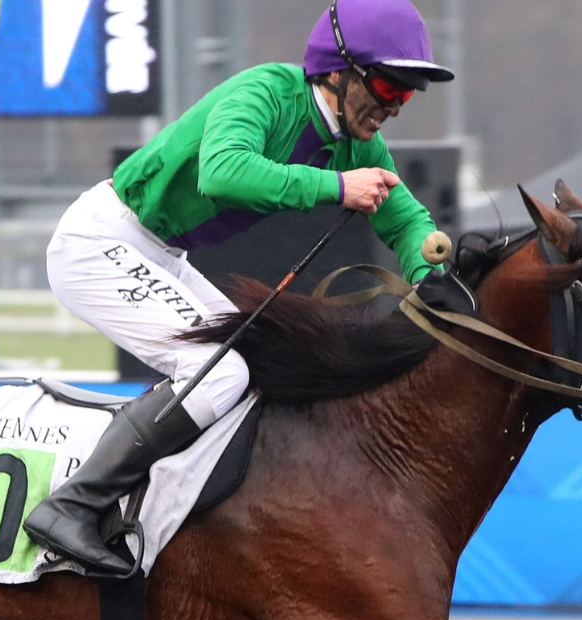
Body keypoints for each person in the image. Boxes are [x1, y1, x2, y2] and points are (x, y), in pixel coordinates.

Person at [23, 0, 456, 577]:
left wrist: (438, 283)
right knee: (220, 374)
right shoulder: (265, 92)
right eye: (386, 84)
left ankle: (183, 521)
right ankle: (72, 507)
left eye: (407, 94)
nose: (394, 105)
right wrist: (334, 186)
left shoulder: (360, 145)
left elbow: (405, 223)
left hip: (158, 252)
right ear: (336, 68)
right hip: (99, 240)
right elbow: (223, 170)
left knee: (257, 363)